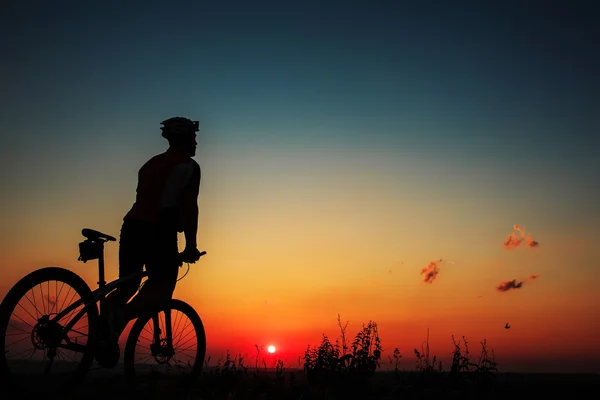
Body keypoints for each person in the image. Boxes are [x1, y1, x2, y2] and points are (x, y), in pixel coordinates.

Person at [102, 116, 203, 345]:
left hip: (131, 227)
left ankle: (102, 331)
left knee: (127, 285)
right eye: (193, 138)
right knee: (162, 287)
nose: (196, 143)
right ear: (183, 139)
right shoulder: (188, 166)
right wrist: (191, 245)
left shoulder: (151, 163)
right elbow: (189, 207)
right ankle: (121, 318)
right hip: (159, 230)